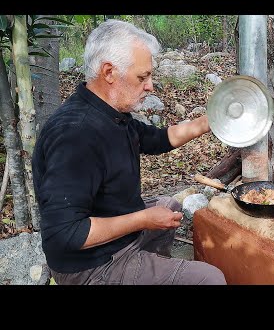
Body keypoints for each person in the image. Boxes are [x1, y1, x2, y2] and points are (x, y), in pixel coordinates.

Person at [32, 19, 226, 285]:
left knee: (168, 206)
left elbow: (159, 139)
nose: (150, 86)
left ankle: (148, 270)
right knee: (210, 279)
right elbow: (65, 233)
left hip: (115, 236)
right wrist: (143, 219)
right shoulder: (76, 135)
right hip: (90, 265)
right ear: (109, 72)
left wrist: (210, 121)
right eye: (142, 77)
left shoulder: (111, 114)